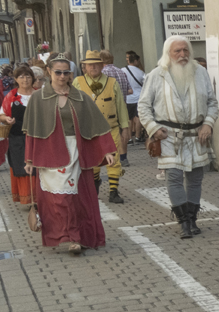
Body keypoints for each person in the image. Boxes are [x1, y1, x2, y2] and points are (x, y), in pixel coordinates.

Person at [22, 56, 116, 255]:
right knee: (58, 199)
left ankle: (75, 237)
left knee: (75, 197)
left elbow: (96, 124)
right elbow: (32, 130)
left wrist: (107, 149)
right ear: (49, 72)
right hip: (49, 153)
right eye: (58, 72)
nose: (62, 76)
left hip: (76, 151)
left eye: (66, 72)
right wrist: (29, 159)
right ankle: (63, 235)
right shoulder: (38, 98)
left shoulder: (81, 97)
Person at [138, 36, 219, 239]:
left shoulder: (200, 72)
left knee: (195, 179)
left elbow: (212, 102)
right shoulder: (157, 75)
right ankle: (183, 221)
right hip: (168, 136)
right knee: (174, 177)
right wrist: (153, 128)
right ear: (168, 53)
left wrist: (208, 123)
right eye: (177, 51)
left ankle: (192, 219)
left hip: (196, 135)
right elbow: (143, 106)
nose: (182, 55)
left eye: (185, 50)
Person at [75, 50, 130, 204]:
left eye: (96, 64)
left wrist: (125, 127)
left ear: (102, 65)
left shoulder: (112, 82)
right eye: (89, 65)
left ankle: (114, 191)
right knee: (93, 161)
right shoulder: (78, 82)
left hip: (110, 128)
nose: (93, 67)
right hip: (88, 130)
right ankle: (95, 183)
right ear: (84, 67)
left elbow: (120, 105)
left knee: (114, 159)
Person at [0, 65, 37, 208]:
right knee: (21, 167)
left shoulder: (39, 94)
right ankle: (28, 198)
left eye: (28, 76)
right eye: (21, 76)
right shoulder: (11, 96)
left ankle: (39, 198)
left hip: (37, 138)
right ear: (16, 79)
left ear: (33, 78)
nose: (25, 79)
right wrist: (6, 119)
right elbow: (1, 114)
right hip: (17, 137)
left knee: (39, 168)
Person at [124, 51, 146, 143]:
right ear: (136, 61)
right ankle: (137, 137)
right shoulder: (140, 72)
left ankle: (129, 138)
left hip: (128, 98)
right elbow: (146, 83)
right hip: (138, 98)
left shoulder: (123, 70)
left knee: (128, 119)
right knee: (138, 117)